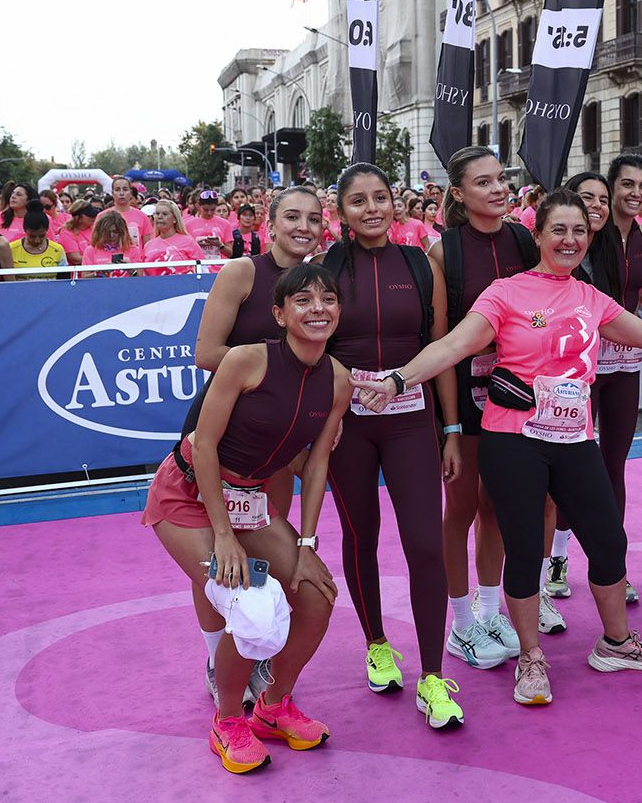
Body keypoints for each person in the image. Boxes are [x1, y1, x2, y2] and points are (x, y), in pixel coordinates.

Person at [353, 188, 642, 707]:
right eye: (558, 230)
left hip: (574, 439)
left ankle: (617, 642)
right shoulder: (505, 292)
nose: (570, 240)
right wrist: (399, 379)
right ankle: (531, 658)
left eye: (579, 231)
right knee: (523, 549)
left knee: (607, 539)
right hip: (513, 440)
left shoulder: (590, 297)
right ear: (537, 235)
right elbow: (451, 346)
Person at [142, 263, 347, 774]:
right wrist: (223, 535)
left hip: (251, 503)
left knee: (317, 595)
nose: (317, 309)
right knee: (254, 605)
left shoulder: (338, 380)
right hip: (188, 496)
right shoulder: (245, 360)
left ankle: (273, 708)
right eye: (303, 301)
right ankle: (228, 719)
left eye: (327, 299)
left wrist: (305, 544)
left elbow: (318, 463)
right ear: (278, 314)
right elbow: (204, 444)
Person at [320, 163, 464, 728]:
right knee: (362, 536)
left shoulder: (418, 264)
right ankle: (377, 643)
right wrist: (326, 416)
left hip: (412, 421)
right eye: (359, 201)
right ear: (343, 212)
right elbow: (312, 348)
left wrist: (450, 430)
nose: (372, 208)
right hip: (349, 425)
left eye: (381, 197)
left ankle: (433, 676)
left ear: (395, 204)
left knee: (426, 543)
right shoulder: (327, 268)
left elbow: (442, 349)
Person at [182, 187, 328, 703]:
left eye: (313, 218)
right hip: (222, 433)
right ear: (270, 222)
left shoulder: (317, 284)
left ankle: (256, 651)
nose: (303, 226)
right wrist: (269, 367)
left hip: (280, 443)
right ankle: (215, 657)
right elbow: (205, 353)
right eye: (292, 216)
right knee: (217, 559)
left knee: (265, 548)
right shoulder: (241, 272)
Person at [431, 147, 539, 671]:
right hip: (463, 400)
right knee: (462, 509)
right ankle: (461, 624)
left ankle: (491, 608)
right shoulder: (443, 253)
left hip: (516, 394)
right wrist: (449, 425)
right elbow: (443, 342)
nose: (498, 189)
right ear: (458, 194)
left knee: (496, 504)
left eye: (501, 179)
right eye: (483, 182)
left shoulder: (523, 238)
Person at [546, 154, 642, 607]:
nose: (633, 193)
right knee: (570, 469)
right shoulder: (579, 243)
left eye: (641, 186)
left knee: (613, 466)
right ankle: (556, 558)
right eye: (622, 185)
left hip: (625, 366)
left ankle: (613, 565)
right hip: (576, 371)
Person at [143, 201, 206, 276]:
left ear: (174, 219)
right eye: (157, 214)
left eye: (165, 214)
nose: (159, 217)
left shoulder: (188, 241)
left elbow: (203, 268)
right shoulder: (148, 245)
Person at [7, 205, 68, 278]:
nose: (37, 241)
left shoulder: (58, 250)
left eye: (42, 236)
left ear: (47, 230)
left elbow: (64, 281)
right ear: (25, 230)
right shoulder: (11, 249)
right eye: (32, 236)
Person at [100, 175, 155, 249]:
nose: (121, 193)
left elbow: (148, 247)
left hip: (136, 260)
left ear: (130, 192)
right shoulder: (102, 216)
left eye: (125, 189)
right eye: (117, 189)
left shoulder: (142, 216)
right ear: (112, 193)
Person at [81, 211, 144, 276]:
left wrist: (130, 269)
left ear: (122, 231)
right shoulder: (90, 250)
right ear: (100, 232)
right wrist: (100, 272)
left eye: (115, 232)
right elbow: (84, 278)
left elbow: (140, 278)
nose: (111, 235)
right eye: (107, 232)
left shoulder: (133, 250)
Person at [187, 189, 235, 259]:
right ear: (198, 206)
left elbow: (230, 253)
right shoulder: (188, 224)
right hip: (199, 266)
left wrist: (219, 245)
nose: (209, 213)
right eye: (205, 210)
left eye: (213, 210)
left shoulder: (226, 224)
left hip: (219, 267)